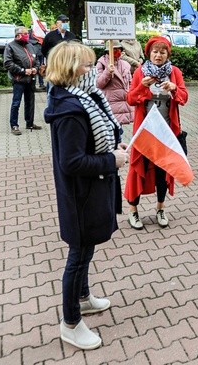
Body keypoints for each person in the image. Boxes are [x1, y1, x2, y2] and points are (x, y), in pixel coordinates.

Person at [43, 41, 127, 350]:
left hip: (91, 189)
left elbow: (101, 136)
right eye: (87, 65)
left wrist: (113, 148)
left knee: (87, 248)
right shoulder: (70, 110)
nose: (92, 70)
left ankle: (83, 297)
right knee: (78, 256)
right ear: (70, 69)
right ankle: (71, 322)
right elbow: (72, 161)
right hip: (80, 195)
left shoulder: (84, 98)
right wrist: (111, 161)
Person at [125, 36, 188, 229]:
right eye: (155, 52)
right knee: (138, 169)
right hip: (145, 132)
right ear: (149, 54)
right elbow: (130, 99)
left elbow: (184, 98)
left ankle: (160, 208)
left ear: (167, 54)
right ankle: (133, 211)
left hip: (166, 132)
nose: (158, 55)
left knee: (163, 170)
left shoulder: (174, 72)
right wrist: (142, 86)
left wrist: (174, 89)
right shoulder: (140, 72)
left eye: (162, 52)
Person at [4, 26, 42, 135]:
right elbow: (8, 63)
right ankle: (14, 125)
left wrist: (36, 68)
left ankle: (30, 123)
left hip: (31, 79)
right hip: (19, 79)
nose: (27, 35)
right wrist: (23, 71)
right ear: (18, 35)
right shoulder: (10, 46)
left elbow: (37, 60)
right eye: (25, 33)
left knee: (30, 102)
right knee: (16, 103)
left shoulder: (30, 45)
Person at [95, 43, 134, 127]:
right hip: (111, 105)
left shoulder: (125, 64)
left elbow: (131, 83)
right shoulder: (101, 64)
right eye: (114, 49)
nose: (117, 52)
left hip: (124, 105)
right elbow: (99, 84)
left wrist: (130, 95)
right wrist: (107, 72)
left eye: (119, 49)